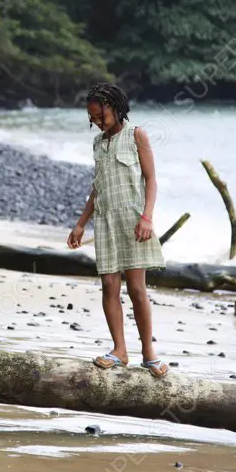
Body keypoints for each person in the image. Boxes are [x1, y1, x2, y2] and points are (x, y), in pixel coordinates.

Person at [67, 82, 168, 377]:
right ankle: (119, 350)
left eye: (101, 115)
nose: (97, 121)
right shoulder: (98, 144)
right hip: (106, 222)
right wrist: (81, 223)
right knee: (109, 285)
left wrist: (147, 218)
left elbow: (151, 180)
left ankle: (148, 353)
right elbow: (96, 188)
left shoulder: (136, 135)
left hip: (134, 222)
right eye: (93, 118)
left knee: (137, 288)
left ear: (115, 107)